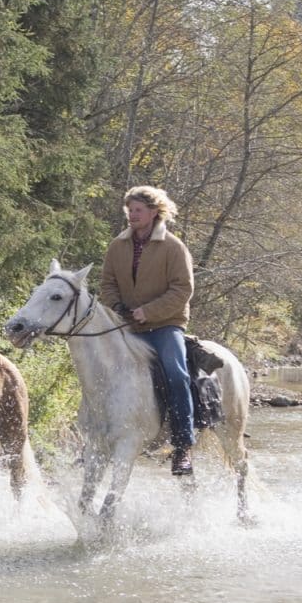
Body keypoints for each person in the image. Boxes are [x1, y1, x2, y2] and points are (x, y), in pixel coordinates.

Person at [99, 186, 196, 475]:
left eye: (138, 209)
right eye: (129, 209)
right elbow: (107, 284)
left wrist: (148, 312)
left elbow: (183, 289)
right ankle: (97, 439)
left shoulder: (173, 247)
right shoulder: (117, 246)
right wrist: (117, 306)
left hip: (165, 325)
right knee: (101, 373)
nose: (132, 214)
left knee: (176, 375)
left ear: (154, 212)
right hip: (127, 325)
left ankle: (182, 447)